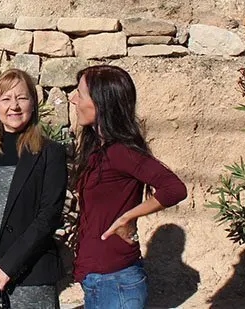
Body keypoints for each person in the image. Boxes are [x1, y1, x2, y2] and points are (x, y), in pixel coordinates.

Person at [69, 65, 187, 309]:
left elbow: (174, 188)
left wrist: (128, 217)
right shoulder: (98, 151)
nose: (73, 99)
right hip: (99, 279)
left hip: (116, 282)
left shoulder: (121, 151)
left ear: (101, 102)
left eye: (80, 94)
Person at [0, 69, 68, 308]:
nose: (14, 106)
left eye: (22, 98)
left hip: (31, 280)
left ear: (33, 104)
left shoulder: (51, 153)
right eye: (6, 99)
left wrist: (7, 267)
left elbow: (48, 217)